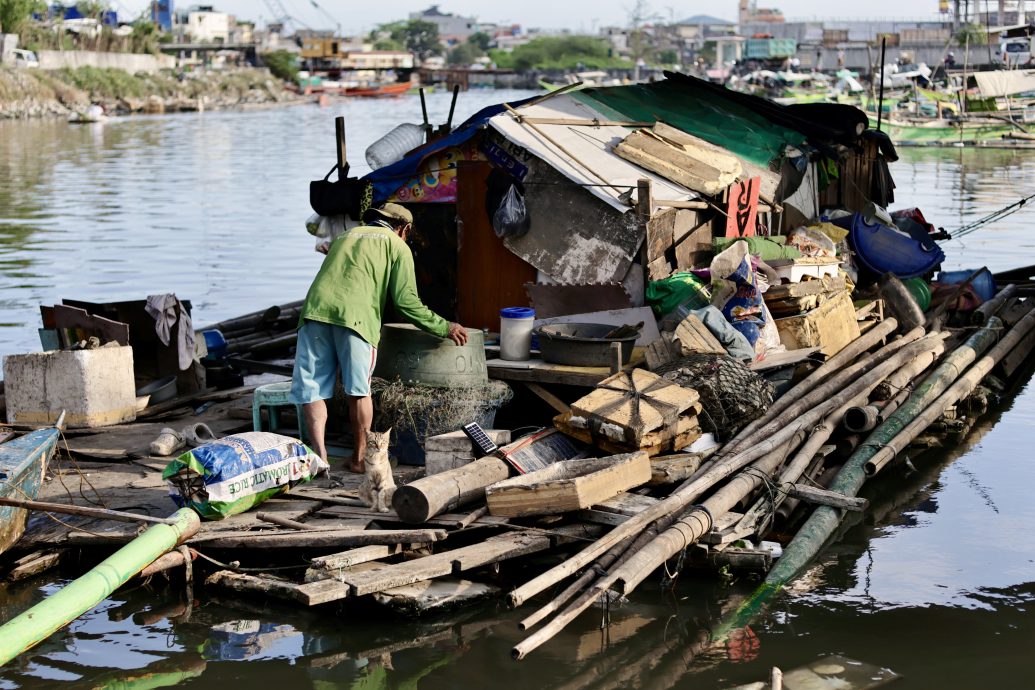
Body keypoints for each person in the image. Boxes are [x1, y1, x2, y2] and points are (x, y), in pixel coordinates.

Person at [291, 202, 467, 472]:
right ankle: (360, 460)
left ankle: (320, 459)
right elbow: (406, 303)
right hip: (356, 321)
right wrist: (445, 326)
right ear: (404, 229)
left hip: (314, 314)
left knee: (313, 390)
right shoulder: (397, 246)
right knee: (359, 391)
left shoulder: (344, 237)